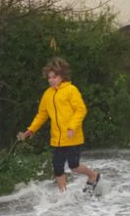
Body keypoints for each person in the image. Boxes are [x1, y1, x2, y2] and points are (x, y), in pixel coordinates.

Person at [17, 58, 100, 193]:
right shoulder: (47, 94)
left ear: (62, 76)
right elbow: (42, 115)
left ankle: (93, 175)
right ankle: (64, 196)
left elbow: (81, 109)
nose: (51, 80)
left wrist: (72, 127)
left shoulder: (71, 90)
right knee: (57, 168)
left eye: (54, 77)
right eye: (49, 77)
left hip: (73, 137)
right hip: (57, 139)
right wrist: (31, 129)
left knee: (74, 166)